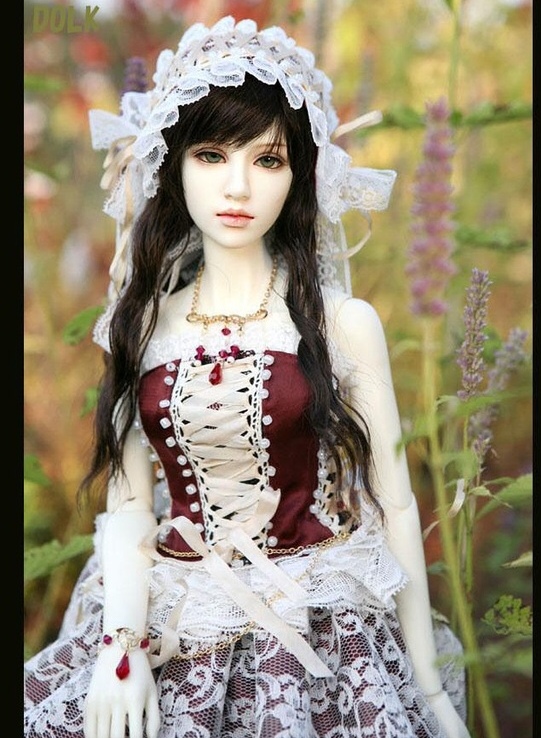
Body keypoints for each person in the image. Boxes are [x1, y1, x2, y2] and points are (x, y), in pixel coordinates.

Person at [24, 16, 470, 738]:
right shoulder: (140, 325)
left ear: (299, 176)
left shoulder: (340, 323)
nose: (237, 186)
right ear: (173, 165)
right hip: (175, 615)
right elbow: (130, 505)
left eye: (267, 160)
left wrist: (431, 693)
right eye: (211, 155)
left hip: (317, 616)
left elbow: (393, 506)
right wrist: (120, 647)